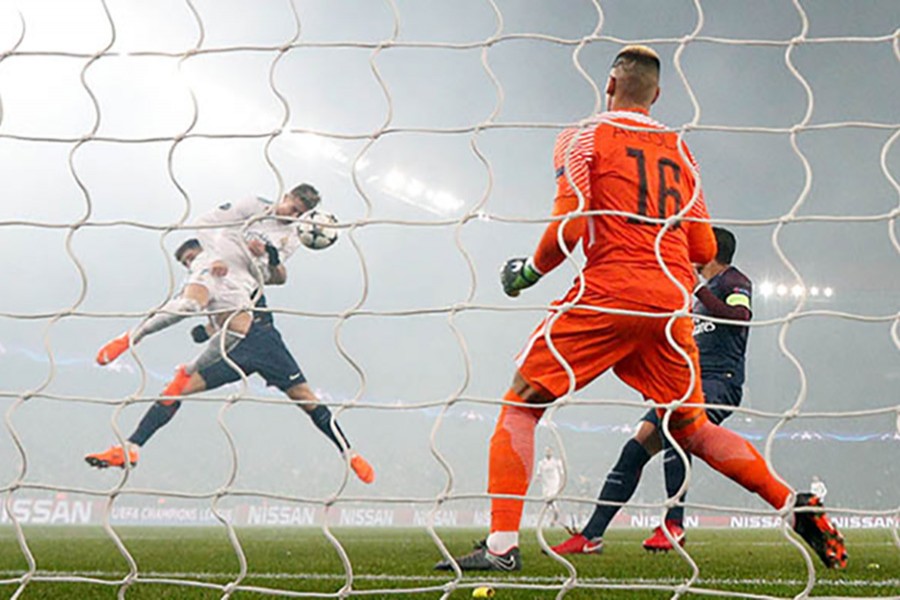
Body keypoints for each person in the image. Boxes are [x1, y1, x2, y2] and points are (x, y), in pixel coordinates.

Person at [434, 45, 846, 572]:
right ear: (657, 94)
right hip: (672, 307)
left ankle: (500, 546)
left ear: (609, 86)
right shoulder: (679, 148)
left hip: (608, 293)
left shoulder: (583, 135)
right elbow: (701, 248)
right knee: (693, 429)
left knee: (521, 408)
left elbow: (570, 228)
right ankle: (792, 505)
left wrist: (527, 274)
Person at [87, 188, 374, 485]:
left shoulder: (274, 243)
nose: (189, 263)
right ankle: (131, 448)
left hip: (263, 340)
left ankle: (349, 453)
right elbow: (213, 309)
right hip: (234, 345)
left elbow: (275, 279)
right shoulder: (207, 265)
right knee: (176, 389)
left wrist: (269, 257)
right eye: (185, 261)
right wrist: (207, 325)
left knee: (306, 399)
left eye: (190, 257)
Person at [551, 227, 753, 555]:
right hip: (686, 382)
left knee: (678, 431)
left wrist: (698, 289)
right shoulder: (702, 290)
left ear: (712, 251)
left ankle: (674, 525)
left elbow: (741, 316)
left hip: (720, 382)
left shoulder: (735, 282)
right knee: (636, 447)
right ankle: (591, 535)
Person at [535, 447, 565, 526]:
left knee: (552, 500)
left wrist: (561, 483)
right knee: (547, 501)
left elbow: (562, 473)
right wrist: (537, 480)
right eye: (547, 451)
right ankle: (550, 519)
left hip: (554, 484)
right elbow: (538, 474)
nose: (548, 452)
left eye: (550, 451)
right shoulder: (541, 463)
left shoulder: (556, 462)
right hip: (545, 484)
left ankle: (554, 517)